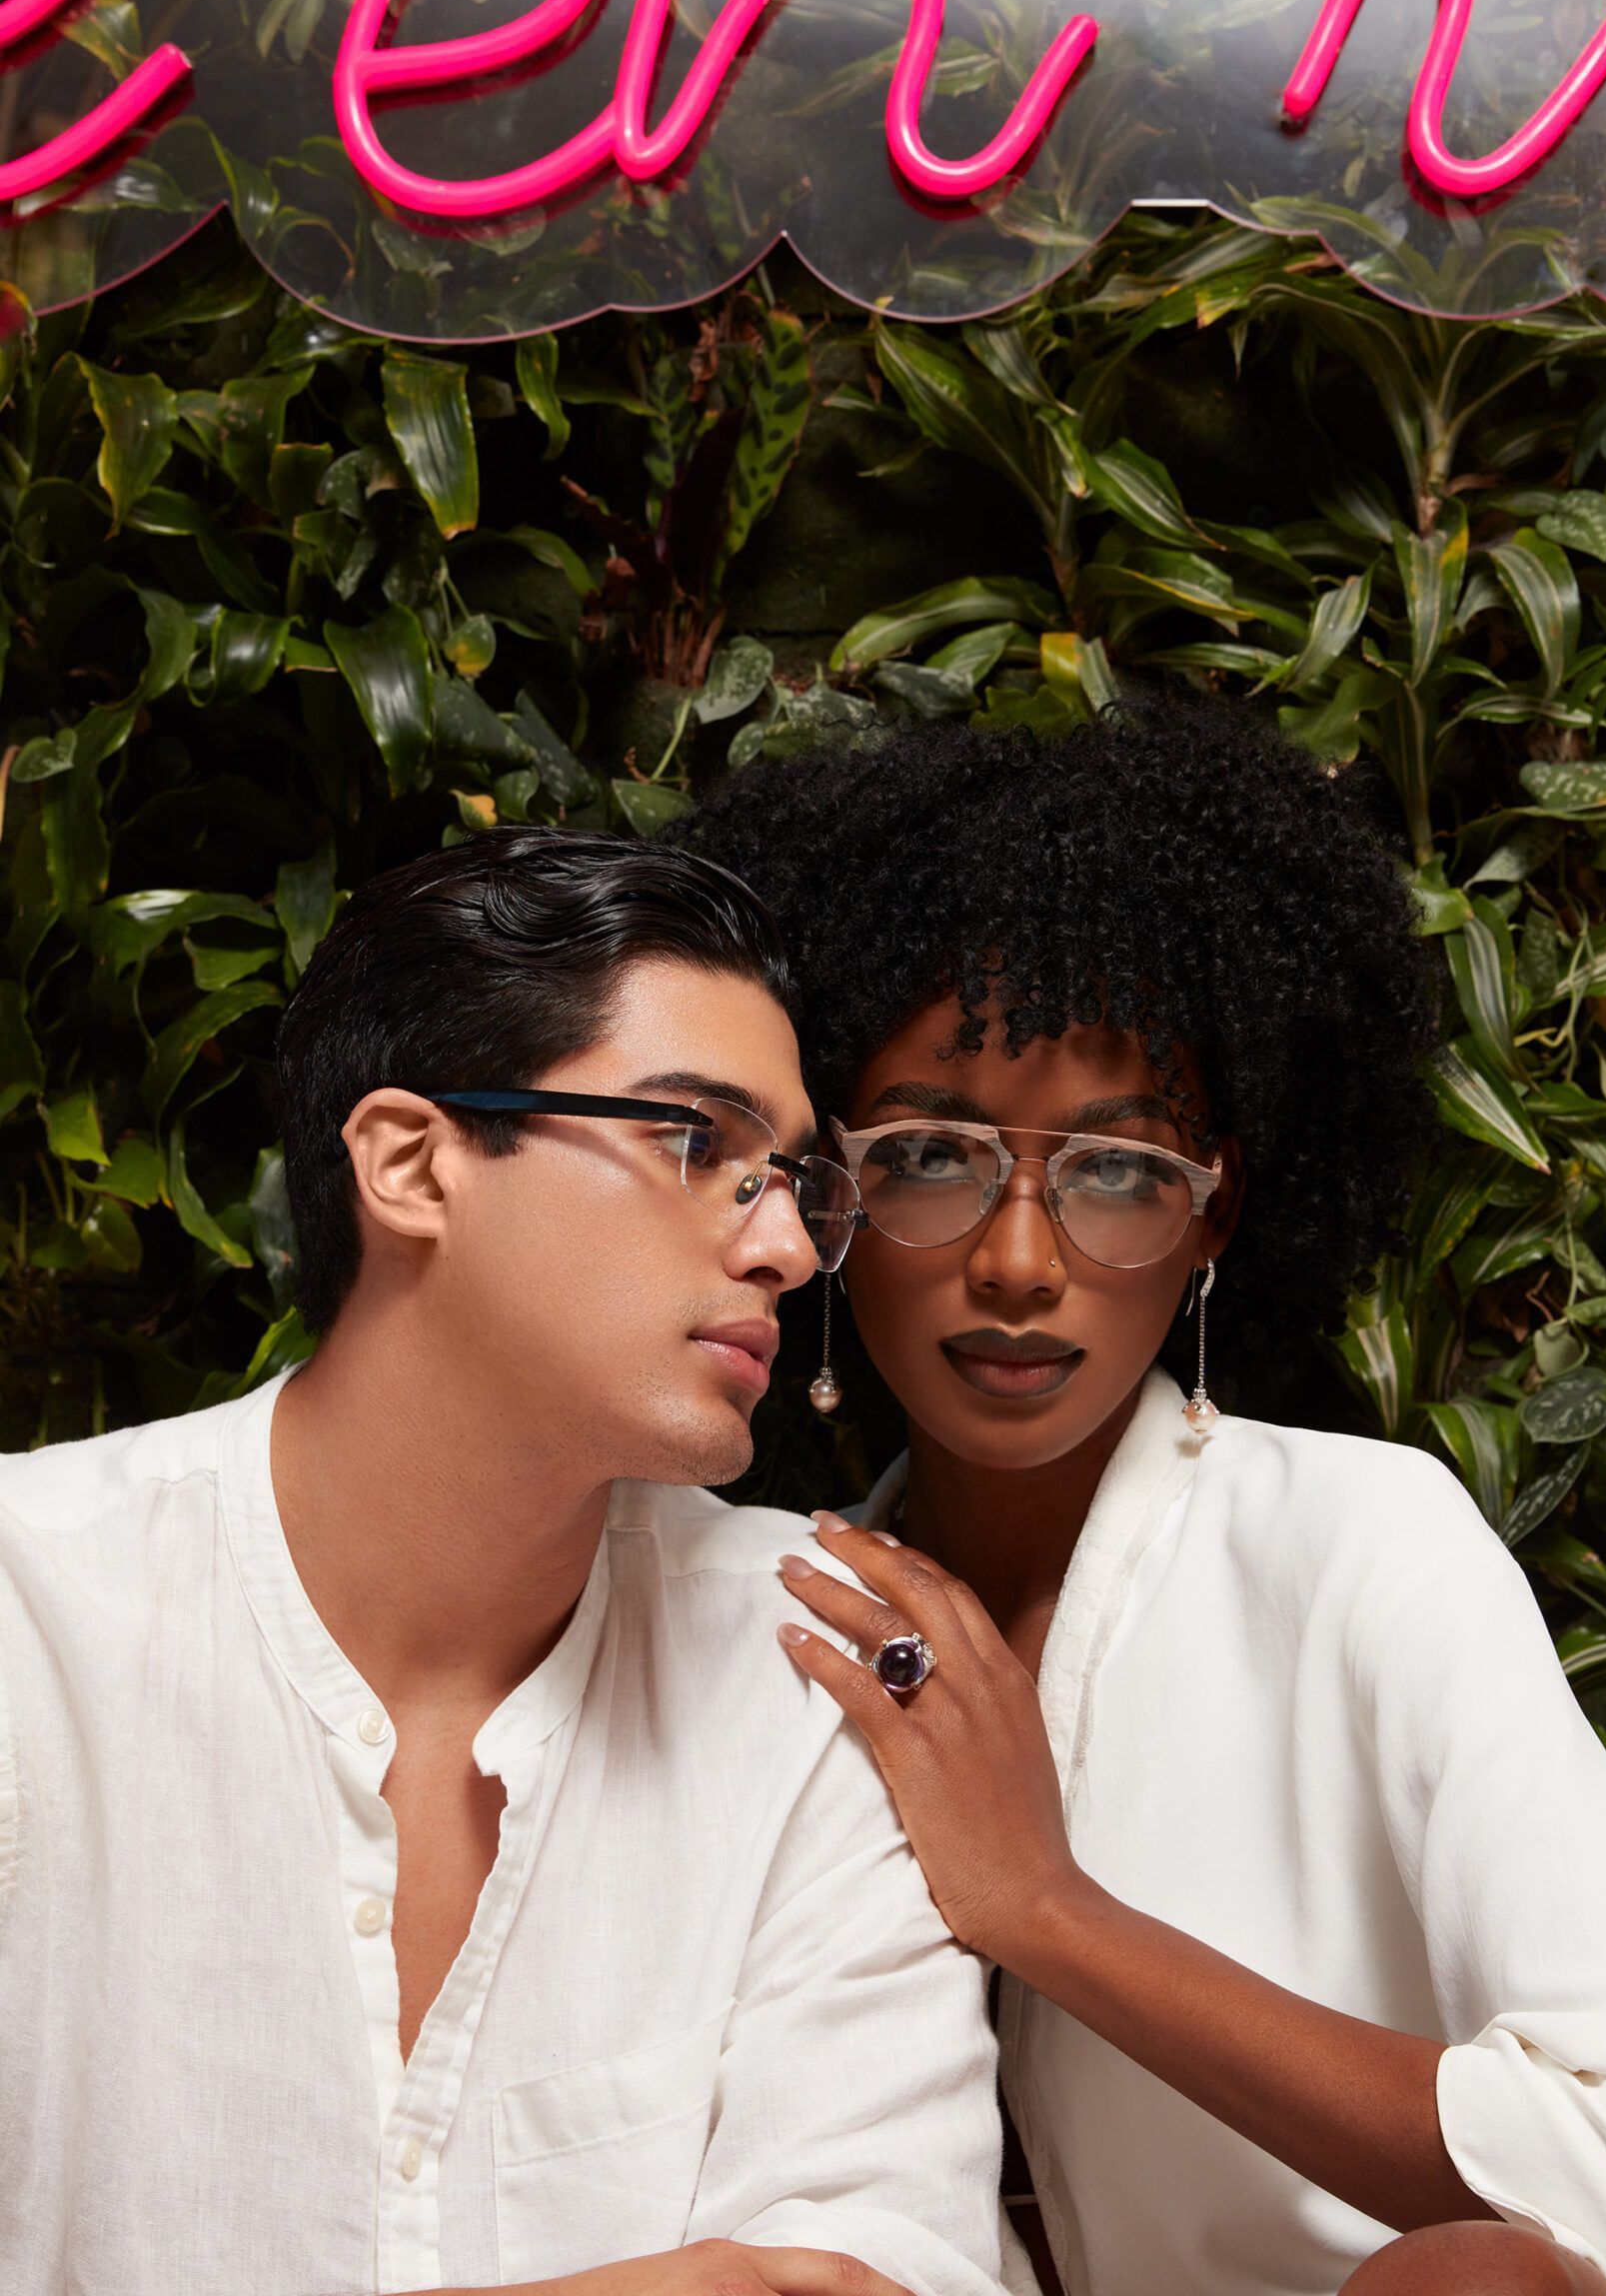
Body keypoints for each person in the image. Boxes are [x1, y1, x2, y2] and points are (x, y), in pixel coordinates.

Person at [688, 696, 1606, 2296]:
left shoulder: (1361, 1547)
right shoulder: (774, 1625)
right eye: (935, 1156)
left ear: (1215, 1217)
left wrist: (1048, 1911)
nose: (1020, 1266)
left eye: (1116, 1172)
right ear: (830, 1199)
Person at [0, 830, 1009, 2296]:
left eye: (793, 1176)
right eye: (695, 1143)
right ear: (413, 1163)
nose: (787, 1241)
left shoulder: (806, 1655)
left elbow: (865, 2275)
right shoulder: (32, 1619)